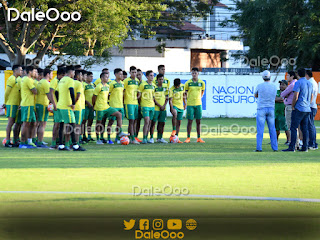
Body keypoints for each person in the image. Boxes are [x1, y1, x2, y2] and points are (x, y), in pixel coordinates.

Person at [92, 72, 128, 145]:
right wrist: (94, 106)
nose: (107, 78)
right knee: (99, 123)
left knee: (119, 115)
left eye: (108, 77)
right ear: (101, 78)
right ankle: (98, 139)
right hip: (100, 108)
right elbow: (94, 97)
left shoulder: (108, 86)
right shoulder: (99, 86)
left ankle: (120, 132)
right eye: (106, 77)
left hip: (107, 107)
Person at [282, 68, 313, 152]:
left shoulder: (298, 83)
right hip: (307, 108)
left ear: (298, 74)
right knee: (304, 128)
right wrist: (308, 104)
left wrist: (293, 106)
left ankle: (292, 147)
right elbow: (312, 95)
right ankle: (305, 147)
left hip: (299, 107)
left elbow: (296, 96)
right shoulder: (309, 83)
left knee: (293, 127)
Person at [56, 65, 84, 151]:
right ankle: (75, 145)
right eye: (74, 72)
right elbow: (71, 91)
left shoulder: (61, 80)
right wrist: (73, 103)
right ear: (71, 72)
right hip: (66, 106)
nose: (74, 74)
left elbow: (56, 92)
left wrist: (59, 101)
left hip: (60, 105)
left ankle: (61, 145)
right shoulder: (69, 80)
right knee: (72, 124)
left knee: (61, 125)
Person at [254, 70, 278, 152]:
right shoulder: (274, 86)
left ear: (262, 77)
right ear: (270, 77)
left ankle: (259, 147)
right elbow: (275, 96)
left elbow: (255, 95)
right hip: (271, 108)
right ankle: (275, 147)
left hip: (261, 108)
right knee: (272, 129)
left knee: (260, 129)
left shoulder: (259, 86)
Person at [35, 68, 56, 148]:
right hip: (43, 104)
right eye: (51, 74)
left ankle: (38, 140)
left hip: (38, 104)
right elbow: (49, 95)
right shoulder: (46, 83)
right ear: (48, 74)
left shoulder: (40, 82)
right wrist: (54, 104)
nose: (52, 75)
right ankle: (40, 142)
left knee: (38, 123)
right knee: (42, 124)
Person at [184, 67, 205, 143]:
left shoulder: (201, 83)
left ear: (198, 73)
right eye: (193, 73)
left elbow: (202, 92)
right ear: (191, 74)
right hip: (190, 104)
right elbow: (185, 93)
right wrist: (187, 101)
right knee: (190, 121)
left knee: (198, 121)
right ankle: (188, 137)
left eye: (195, 73)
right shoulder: (188, 83)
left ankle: (199, 138)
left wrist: (198, 98)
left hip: (198, 104)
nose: (194, 74)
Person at [3, 65, 22, 147]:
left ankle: (15, 140)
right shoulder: (12, 79)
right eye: (20, 70)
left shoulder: (18, 80)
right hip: (11, 103)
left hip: (17, 104)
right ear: (15, 70)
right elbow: (7, 91)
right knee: (10, 122)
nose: (21, 72)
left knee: (17, 123)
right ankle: (7, 140)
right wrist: (5, 102)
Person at [19, 66, 38, 148]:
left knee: (33, 123)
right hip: (27, 104)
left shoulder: (27, 79)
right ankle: (23, 143)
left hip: (29, 105)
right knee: (26, 123)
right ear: (30, 72)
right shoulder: (27, 79)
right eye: (34, 71)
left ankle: (29, 140)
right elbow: (35, 91)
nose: (35, 73)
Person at [49, 65, 65, 149]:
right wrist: (54, 104)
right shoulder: (54, 81)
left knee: (61, 125)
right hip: (57, 107)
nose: (63, 77)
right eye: (62, 75)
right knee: (57, 124)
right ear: (59, 75)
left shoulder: (61, 81)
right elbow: (51, 92)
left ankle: (59, 141)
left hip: (62, 106)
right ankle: (53, 142)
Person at [107, 68, 125, 144]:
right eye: (120, 74)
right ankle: (108, 138)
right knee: (111, 122)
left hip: (121, 105)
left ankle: (117, 138)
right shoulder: (112, 84)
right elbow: (107, 94)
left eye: (122, 74)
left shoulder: (122, 84)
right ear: (116, 74)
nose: (121, 75)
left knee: (119, 122)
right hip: (113, 105)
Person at [138, 70, 156, 144]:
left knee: (149, 122)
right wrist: (140, 104)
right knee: (146, 121)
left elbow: (153, 96)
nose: (152, 77)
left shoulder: (154, 85)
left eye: (153, 75)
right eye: (151, 75)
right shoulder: (143, 84)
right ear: (147, 76)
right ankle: (144, 138)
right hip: (145, 106)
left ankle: (147, 137)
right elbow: (138, 96)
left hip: (152, 106)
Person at [150, 73, 168, 143]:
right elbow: (153, 98)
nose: (161, 81)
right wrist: (160, 106)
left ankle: (160, 137)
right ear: (157, 80)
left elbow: (167, 97)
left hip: (163, 109)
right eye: (160, 79)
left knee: (162, 123)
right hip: (156, 108)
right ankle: (151, 137)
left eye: (162, 79)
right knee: (153, 123)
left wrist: (164, 105)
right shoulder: (154, 87)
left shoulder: (165, 88)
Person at [123, 66, 140, 144]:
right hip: (128, 103)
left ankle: (131, 136)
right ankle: (133, 139)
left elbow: (138, 92)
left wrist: (137, 98)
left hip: (135, 103)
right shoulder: (126, 81)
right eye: (132, 72)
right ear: (129, 73)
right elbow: (123, 92)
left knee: (135, 120)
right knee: (131, 120)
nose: (134, 74)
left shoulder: (137, 81)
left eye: (135, 72)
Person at [280, 71, 297, 146]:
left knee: (290, 126)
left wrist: (286, 94)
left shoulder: (292, 85)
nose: (286, 77)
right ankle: (296, 143)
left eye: (288, 76)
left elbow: (283, 94)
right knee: (295, 126)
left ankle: (293, 144)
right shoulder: (296, 83)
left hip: (290, 106)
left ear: (292, 76)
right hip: (294, 106)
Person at [169, 78, 186, 142]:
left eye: (178, 86)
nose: (177, 87)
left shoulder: (182, 86)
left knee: (179, 122)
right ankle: (174, 129)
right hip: (175, 105)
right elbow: (170, 100)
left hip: (181, 106)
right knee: (175, 115)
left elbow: (184, 95)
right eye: (176, 86)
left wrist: (185, 103)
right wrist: (171, 108)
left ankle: (176, 137)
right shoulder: (171, 89)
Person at [306, 70, 318, 150]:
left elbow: (311, 95)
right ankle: (313, 143)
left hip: (311, 106)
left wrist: (307, 104)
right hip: (312, 106)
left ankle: (312, 143)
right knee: (311, 125)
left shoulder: (310, 83)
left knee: (310, 126)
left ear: (307, 75)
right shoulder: (314, 82)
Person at [73, 70, 86, 150]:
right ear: (77, 76)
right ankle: (76, 143)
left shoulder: (70, 82)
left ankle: (68, 142)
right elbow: (78, 96)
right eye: (81, 75)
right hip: (78, 107)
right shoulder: (79, 84)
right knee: (77, 126)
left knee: (69, 125)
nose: (82, 77)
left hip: (70, 106)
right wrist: (74, 103)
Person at [82, 70, 95, 143]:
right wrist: (87, 102)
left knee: (90, 121)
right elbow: (82, 95)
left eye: (92, 76)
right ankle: (83, 135)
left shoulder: (92, 85)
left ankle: (89, 135)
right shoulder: (84, 85)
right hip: (86, 106)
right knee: (84, 121)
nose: (92, 78)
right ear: (86, 77)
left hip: (92, 107)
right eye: (90, 76)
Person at [135, 69, 144, 143]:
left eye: (139, 74)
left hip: (143, 105)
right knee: (134, 120)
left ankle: (136, 136)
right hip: (135, 105)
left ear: (142, 75)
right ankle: (133, 136)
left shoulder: (144, 83)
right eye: (137, 75)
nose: (138, 76)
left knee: (139, 121)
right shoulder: (135, 83)